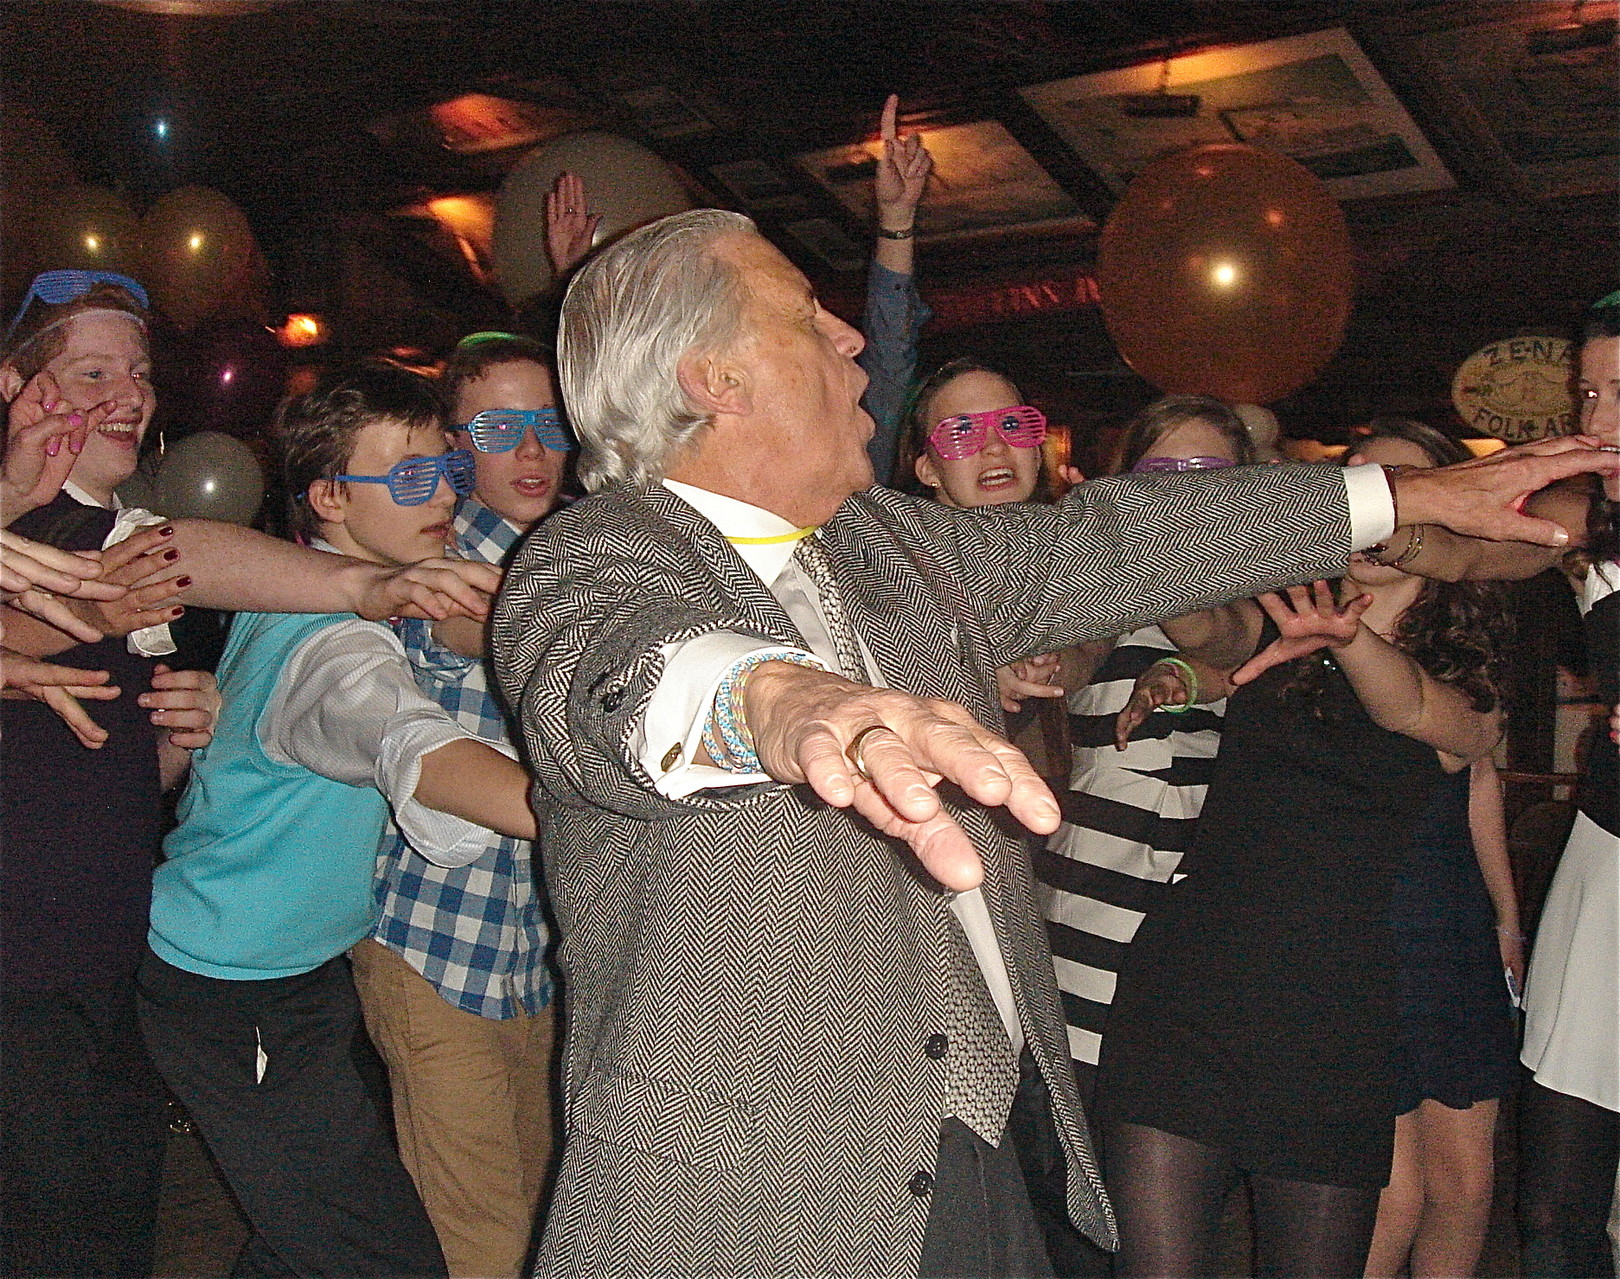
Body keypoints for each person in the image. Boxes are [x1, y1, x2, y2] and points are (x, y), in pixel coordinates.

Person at [488, 207, 1613, 1279]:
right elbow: (619, 676)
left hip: (979, 1138)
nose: (844, 334)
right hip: (756, 1189)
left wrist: (1399, 492)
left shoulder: (888, 545)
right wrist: (780, 704)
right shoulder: (599, 552)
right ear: (713, 381)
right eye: (801, 314)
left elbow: (1121, 536)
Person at [0, 273, 492, 1279]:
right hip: (26, 969)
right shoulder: (65, 543)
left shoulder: (124, 540)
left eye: (137, 370)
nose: (127, 391)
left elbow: (126, 746)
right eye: (91, 371)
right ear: (14, 385)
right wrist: (364, 584)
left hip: (111, 948)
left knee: (116, 1236)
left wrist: (189, 734)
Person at [137, 362, 542, 1279]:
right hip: (226, 988)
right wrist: (582, 810)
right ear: (326, 495)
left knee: (311, 1234)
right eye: (406, 478)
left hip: (297, 976)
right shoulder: (336, 642)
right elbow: (414, 748)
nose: (440, 494)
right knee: (381, 1251)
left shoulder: (315, 586)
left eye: (442, 471)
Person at [1094, 419, 1523, 1278]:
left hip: (1333, 1024)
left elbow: (1421, 718)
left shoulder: (1464, 684)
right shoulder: (1272, 622)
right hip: (1189, 995)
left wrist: (1346, 636)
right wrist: (1177, 500)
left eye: (1404, 491)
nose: (1379, 517)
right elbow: (1204, 629)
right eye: (1366, 490)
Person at [352, 332, 566, 1278]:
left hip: (536, 948)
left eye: (547, 423)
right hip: (436, 944)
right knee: (482, 1238)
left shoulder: (568, 552)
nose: (529, 450)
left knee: (546, 1211)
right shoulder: (438, 560)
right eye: (499, 427)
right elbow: (470, 625)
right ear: (456, 446)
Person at [1035, 395, 1256, 1106]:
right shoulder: (1094, 589)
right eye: (1164, 470)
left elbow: (1217, 636)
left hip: (1211, 901)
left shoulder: (1262, 593)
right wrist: (1039, 668)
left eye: (1207, 470)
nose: (1185, 487)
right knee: (1089, 1128)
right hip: (1098, 892)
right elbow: (1074, 655)